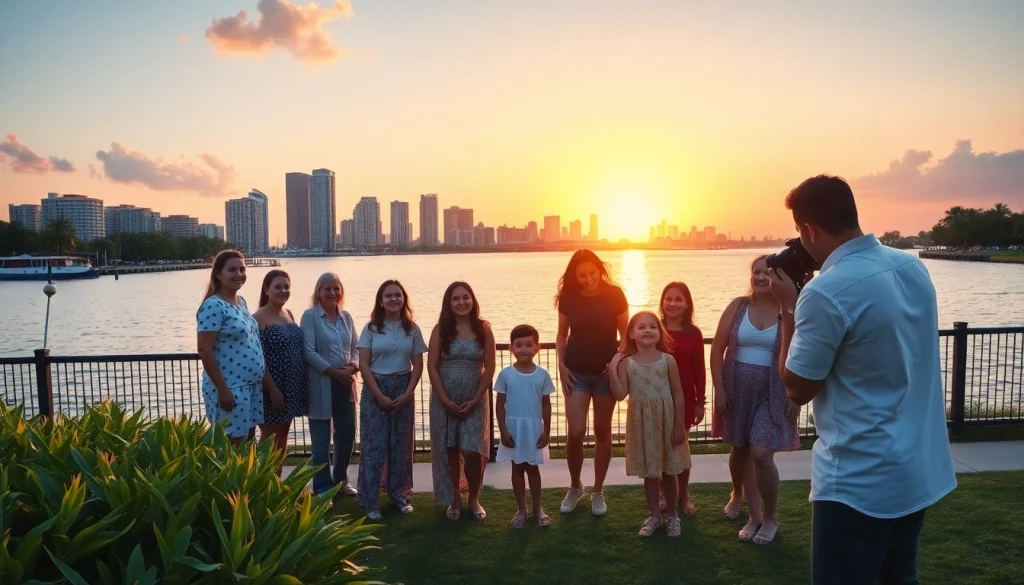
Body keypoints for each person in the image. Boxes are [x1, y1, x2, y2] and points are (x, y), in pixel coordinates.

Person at [769, 175, 956, 583]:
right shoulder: (910, 266)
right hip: (915, 468)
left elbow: (797, 387)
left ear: (808, 230)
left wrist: (788, 308)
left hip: (859, 481)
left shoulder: (826, 292)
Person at [710, 255, 801, 544]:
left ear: (780, 278)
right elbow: (716, 350)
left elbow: (801, 355)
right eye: (756, 272)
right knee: (739, 450)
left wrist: (796, 395)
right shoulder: (738, 306)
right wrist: (720, 391)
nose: (760, 278)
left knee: (760, 453)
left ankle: (767, 517)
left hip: (773, 392)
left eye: (767, 273)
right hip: (736, 388)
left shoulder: (789, 311)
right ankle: (739, 495)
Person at [555, 249, 629, 516]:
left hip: (605, 375)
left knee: (602, 431)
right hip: (576, 372)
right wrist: (561, 367)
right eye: (582, 275)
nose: (588, 279)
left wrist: (617, 362)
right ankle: (575, 486)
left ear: (600, 269)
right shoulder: (569, 297)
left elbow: (625, 335)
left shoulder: (615, 294)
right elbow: (562, 335)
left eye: (591, 273)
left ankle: (598, 491)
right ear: (575, 276)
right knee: (575, 432)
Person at [608, 311, 690, 537]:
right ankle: (655, 515)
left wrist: (678, 425)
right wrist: (614, 367)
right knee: (650, 474)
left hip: (667, 420)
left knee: (670, 471)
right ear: (631, 333)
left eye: (653, 326)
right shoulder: (627, 363)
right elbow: (619, 394)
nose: (647, 330)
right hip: (643, 424)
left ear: (659, 333)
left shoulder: (667, 360)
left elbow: (678, 394)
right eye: (641, 327)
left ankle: (672, 516)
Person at [356, 279, 428, 520]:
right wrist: (379, 395)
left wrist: (408, 393)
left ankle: (400, 495)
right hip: (376, 387)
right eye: (389, 295)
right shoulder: (371, 328)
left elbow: (418, 364)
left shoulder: (412, 329)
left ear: (404, 298)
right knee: (374, 447)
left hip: (403, 386)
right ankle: (371, 501)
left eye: (398, 295)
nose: (394, 299)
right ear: (381, 300)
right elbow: (364, 366)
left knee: (401, 446)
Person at [196, 250, 282, 444]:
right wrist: (223, 389)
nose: (239, 274)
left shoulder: (240, 302)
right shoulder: (213, 306)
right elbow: (204, 350)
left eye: (242, 269)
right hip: (230, 388)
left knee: (248, 441)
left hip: (250, 387)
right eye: (232, 270)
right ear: (218, 274)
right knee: (232, 445)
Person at [428, 281, 496, 521]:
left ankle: (474, 497)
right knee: (450, 450)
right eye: (456, 298)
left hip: (475, 399)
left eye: (465, 297)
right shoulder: (440, 329)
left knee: (472, 450)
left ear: (472, 299)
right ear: (449, 303)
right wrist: (444, 399)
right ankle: (455, 498)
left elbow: (489, 368)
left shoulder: (484, 329)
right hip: (444, 400)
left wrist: (477, 398)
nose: (461, 302)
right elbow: (432, 367)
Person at [300, 272, 360, 497]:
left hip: (346, 383)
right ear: (318, 292)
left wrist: (353, 367)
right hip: (321, 384)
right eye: (327, 288)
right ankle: (323, 486)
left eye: (336, 288)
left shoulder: (346, 317)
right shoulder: (310, 316)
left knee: (347, 435)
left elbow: (356, 347)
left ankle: (341, 480)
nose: (332, 293)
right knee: (321, 440)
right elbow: (309, 352)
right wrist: (335, 373)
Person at [495, 324, 555, 529]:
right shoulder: (505, 375)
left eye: (529, 345)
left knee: (533, 469)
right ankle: (521, 509)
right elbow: (499, 405)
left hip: (533, 430)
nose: (524, 349)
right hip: (513, 429)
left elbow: (546, 404)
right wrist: (502, 430)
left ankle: (538, 508)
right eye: (518, 345)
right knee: (517, 468)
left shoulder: (542, 375)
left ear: (537, 348)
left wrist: (547, 430)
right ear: (510, 348)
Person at [657, 281, 706, 517]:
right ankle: (664, 493)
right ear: (662, 302)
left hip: (684, 398)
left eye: (678, 299)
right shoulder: (655, 329)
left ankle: (683, 496)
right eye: (668, 298)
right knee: (660, 450)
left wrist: (700, 402)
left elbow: (699, 369)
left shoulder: (693, 333)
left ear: (687, 304)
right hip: (657, 398)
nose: (673, 304)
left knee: (680, 448)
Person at [253, 270, 305, 460]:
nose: (283, 290)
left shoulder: (288, 313)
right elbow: (258, 358)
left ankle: (276, 483)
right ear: (267, 289)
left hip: (291, 387)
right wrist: (273, 389)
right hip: (272, 389)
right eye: (277, 287)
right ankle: (262, 483)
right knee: (269, 440)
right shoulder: (257, 317)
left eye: (286, 286)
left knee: (282, 439)